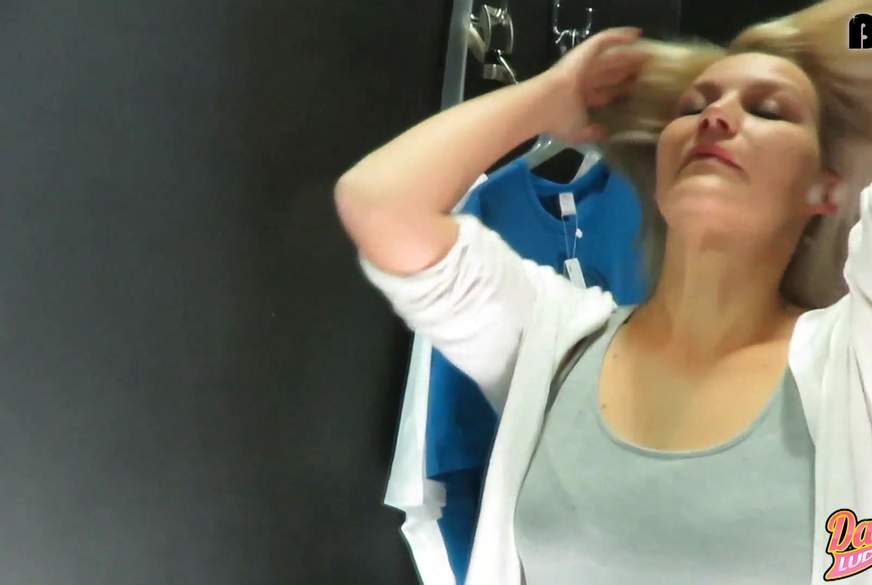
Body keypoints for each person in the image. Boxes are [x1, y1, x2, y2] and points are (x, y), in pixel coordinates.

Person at [334, 0, 872, 582]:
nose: (716, 116)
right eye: (692, 106)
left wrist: (804, 41)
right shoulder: (552, 342)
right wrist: (549, 98)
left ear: (827, 189)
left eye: (767, 110)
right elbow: (380, 203)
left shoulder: (852, 361)